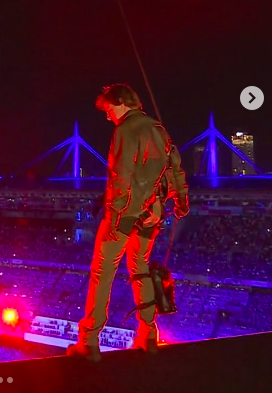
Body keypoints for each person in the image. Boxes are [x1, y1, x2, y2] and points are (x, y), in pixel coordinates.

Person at [68, 83, 189, 362]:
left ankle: (89, 341)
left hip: (125, 216)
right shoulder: (159, 129)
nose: (107, 116)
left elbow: (120, 175)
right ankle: (148, 335)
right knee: (140, 269)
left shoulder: (125, 129)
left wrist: (118, 212)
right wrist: (179, 204)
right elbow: (176, 170)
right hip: (152, 216)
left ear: (121, 102)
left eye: (109, 110)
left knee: (102, 274)